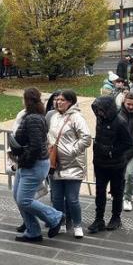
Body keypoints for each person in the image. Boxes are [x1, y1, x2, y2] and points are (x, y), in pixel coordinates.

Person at [10, 88, 64, 242]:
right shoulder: (34, 116)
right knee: (18, 196)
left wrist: (24, 161)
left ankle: (55, 217)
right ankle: (33, 231)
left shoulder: (33, 118)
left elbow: (35, 146)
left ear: (27, 100)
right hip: (28, 163)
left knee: (24, 200)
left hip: (33, 164)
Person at [47, 90, 92, 239]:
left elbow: (86, 138)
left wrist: (72, 151)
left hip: (73, 164)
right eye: (57, 99)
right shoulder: (53, 117)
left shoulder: (77, 117)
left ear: (70, 102)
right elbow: (50, 136)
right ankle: (60, 222)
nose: (58, 102)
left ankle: (77, 225)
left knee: (72, 198)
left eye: (62, 100)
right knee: (57, 198)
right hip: (55, 164)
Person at [89, 96, 133, 233]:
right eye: (97, 110)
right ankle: (99, 219)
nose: (99, 113)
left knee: (117, 191)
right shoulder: (100, 119)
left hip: (116, 164)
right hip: (100, 163)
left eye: (101, 110)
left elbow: (128, 143)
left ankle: (116, 218)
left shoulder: (120, 122)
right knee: (100, 192)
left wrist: (111, 151)